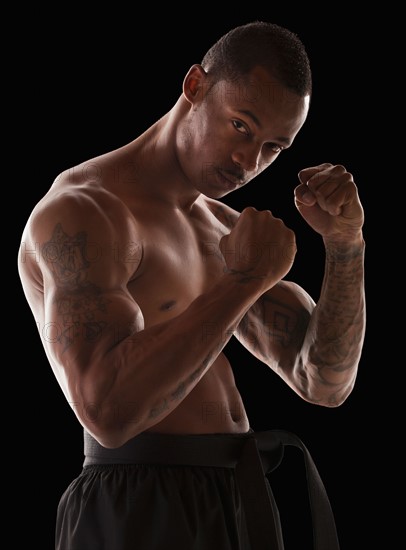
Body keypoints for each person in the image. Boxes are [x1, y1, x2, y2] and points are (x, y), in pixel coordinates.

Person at [18, 20, 365, 550]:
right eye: (241, 127)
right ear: (195, 87)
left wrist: (345, 246)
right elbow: (108, 412)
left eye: (273, 148)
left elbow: (323, 381)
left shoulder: (221, 230)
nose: (248, 163)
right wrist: (244, 280)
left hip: (233, 498)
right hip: (136, 501)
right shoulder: (88, 213)